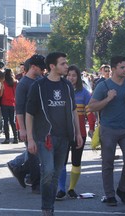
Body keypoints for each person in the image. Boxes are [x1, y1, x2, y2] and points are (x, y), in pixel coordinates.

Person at [26, 52, 83, 216]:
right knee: (48, 171)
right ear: (52, 66)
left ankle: (49, 206)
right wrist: (30, 138)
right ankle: (47, 208)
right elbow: (29, 113)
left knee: (56, 173)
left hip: (64, 137)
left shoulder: (66, 86)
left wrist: (77, 133)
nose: (66, 66)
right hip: (45, 137)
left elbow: (73, 111)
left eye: (66, 63)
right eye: (63, 64)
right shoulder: (38, 86)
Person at [88, 56, 125, 206]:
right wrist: (108, 99)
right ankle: (110, 195)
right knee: (107, 163)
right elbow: (91, 107)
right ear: (113, 69)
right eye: (122, 67)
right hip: (108, 129)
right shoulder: (104, 86)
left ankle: (122, 189)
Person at [56, 65, 96, 200]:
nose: (71, 78)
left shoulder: (84, 93)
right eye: (69, 75)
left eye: (74, 75)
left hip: (80, 134)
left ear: (78, 77)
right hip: (63, 133)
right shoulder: (60, 91)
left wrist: (91, 128)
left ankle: (71, 188)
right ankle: (61, 189)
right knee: (61, 161)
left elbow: (90, 112)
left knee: (76, 161)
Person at [8, 55, 45, 193]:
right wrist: (22, 129)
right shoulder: (23, 84)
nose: (43, 71)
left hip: (41, 124)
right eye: (41, 68)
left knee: (39, 153)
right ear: (33, 67)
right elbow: (19, 109)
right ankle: (36, 185)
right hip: (27, 125)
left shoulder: (41, 80)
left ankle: (19, 168)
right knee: (34, 155)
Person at [0, 68, 18, 144]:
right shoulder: (16, 82)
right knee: (13, 121)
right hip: (13, 103)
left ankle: (7, 139)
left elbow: (1, 93)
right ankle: (15, 138)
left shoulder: (3, 83)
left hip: (5, 103)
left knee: (6, 121)